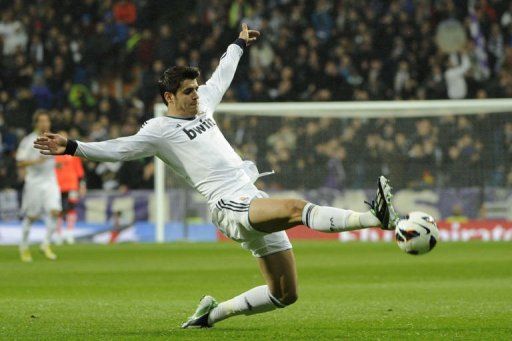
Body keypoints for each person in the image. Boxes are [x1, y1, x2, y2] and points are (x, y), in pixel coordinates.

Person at [34, 24, 400, 327]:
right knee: (294, 207)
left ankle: (212, 314)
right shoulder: (159, 131)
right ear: (169, 97)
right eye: (187, 92)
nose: (196, 96)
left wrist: (238, 43)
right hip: (226, 203)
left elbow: (223, 73)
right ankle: (374, 217)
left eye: (195, 89)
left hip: (249, 195)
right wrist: (72, 146)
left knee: (284, 294)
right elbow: (118, 147)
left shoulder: (205, 102)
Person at [17, 109, 61, 262]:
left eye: (47, 121)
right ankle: (23, 247)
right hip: (34, 182)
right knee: (31, 216)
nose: (45, 123)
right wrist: (37, 161)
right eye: (41, 121)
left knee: (55, 211)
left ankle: (46, 244)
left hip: (51, 181)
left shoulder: (54, 138)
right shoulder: (28, 141)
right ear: (36, 123)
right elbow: (20, 161)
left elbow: (59, 154)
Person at [54, 130, 86, 245]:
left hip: (72, 185)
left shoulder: (73, 153)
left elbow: (79, 171)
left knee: (71, 208)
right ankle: (58, 234)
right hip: (57, 186)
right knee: (58, 210)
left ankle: (69, 233)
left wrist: (82, 185)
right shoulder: (53, 153)